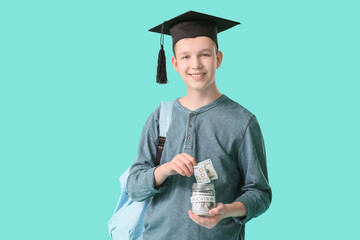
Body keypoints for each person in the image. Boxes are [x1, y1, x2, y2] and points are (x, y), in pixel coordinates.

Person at [126, 10, 271, 240]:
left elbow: (260, 193)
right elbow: (134, 187)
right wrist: (166, 169)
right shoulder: (160, 117)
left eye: (204, 55)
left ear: (218, 58)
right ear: (173, 63)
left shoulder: (243, 121)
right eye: (185, 57)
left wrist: (227, 211)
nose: (195, 64)